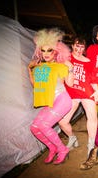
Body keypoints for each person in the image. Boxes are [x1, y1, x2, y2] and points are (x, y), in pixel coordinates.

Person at [28, 28, 74, 165]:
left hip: (62, 100)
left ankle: (62, 149)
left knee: (45, 125)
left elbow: (70, 84)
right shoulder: (39, 67)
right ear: (39, 51)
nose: (46, 53)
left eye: (49, 50)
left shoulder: (60, 66)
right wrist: (29, 69)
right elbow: (36, 85)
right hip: (50, 102)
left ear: (55, 51)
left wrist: (70, 69)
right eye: (43, 50)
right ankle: (52, 148)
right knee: (35, 127)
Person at [58, 36, 98, 154]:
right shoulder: (66, 58)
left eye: (82, 47)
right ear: (72, 46)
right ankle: (72, 137)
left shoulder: (89, 61)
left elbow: (93, 79)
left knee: (92, 118)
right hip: (72, 93)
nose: (79, 49)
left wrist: (96, 92)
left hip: (87, 92)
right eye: (77, 45)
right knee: (62, 122)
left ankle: (91, 146)